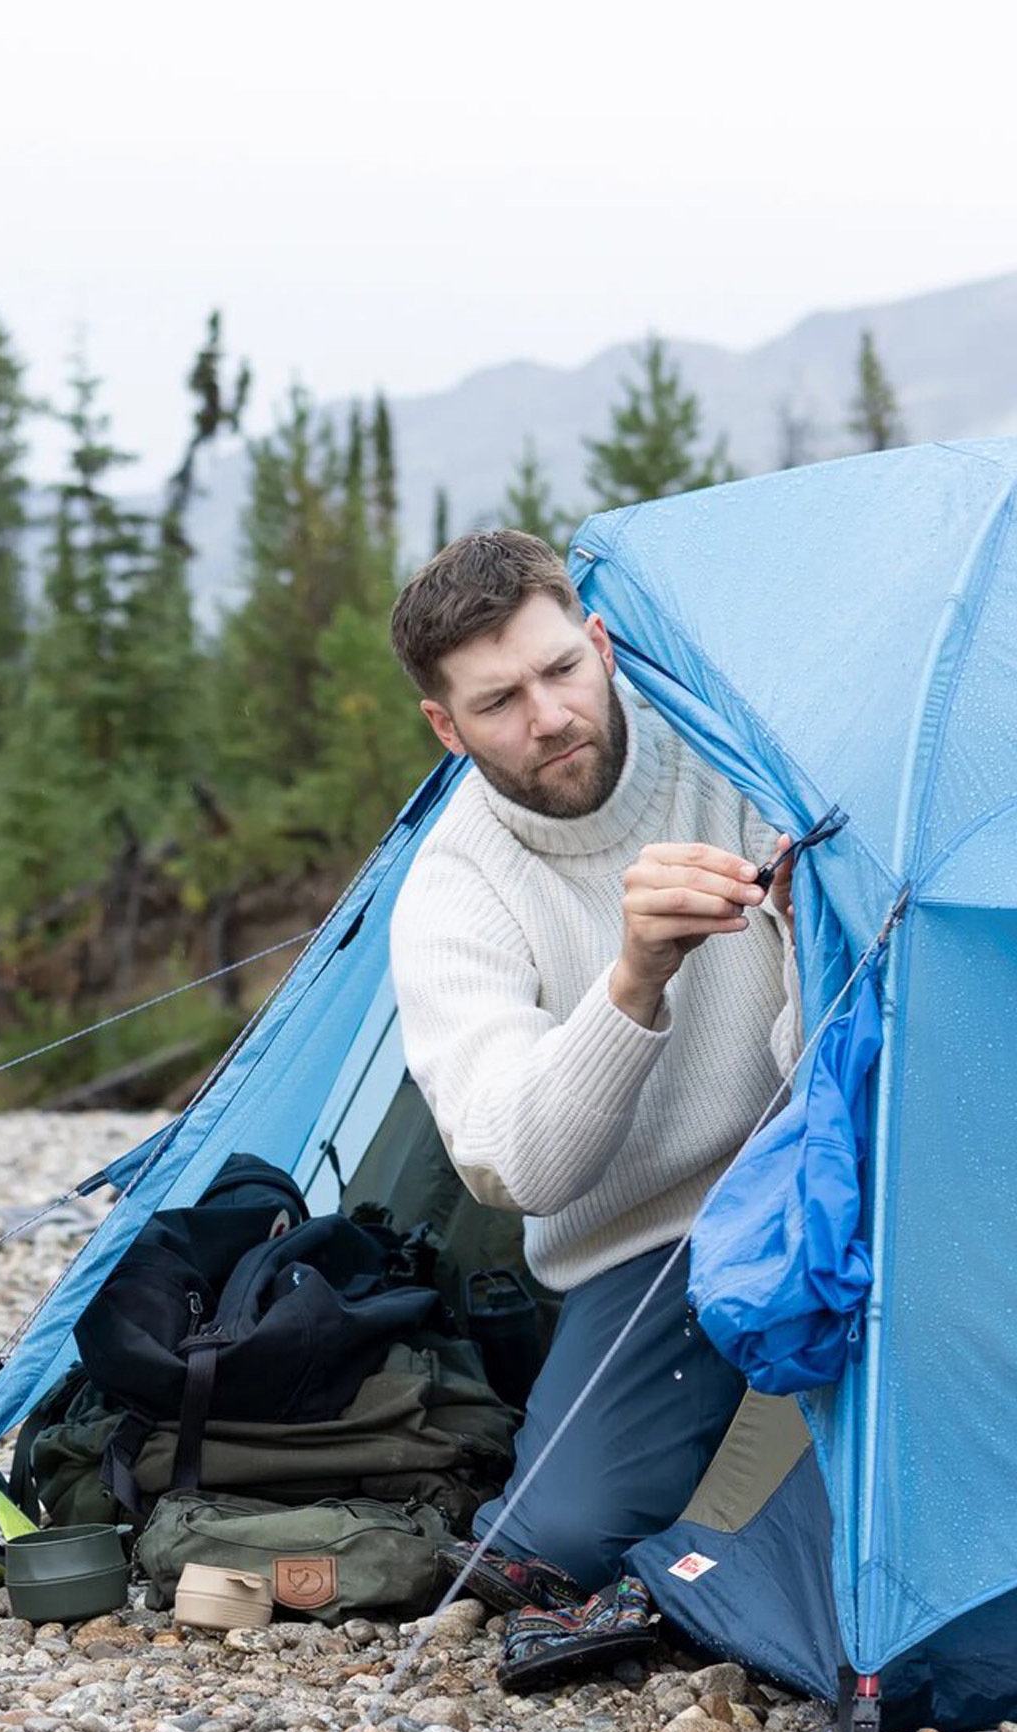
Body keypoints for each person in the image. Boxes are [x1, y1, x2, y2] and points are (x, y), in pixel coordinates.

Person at [386, 530, 798, 1664]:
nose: (549, 715)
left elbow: (842, 1061)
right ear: (447, 726)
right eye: (500, 700)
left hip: (824, 1184)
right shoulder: (454, 887)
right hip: (646, 1253)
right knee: (553, 1544)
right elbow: (517, 1164)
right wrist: (635, 981)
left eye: (562, 670)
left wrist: (811, 934)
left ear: (600, 644)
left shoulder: (747, 767)